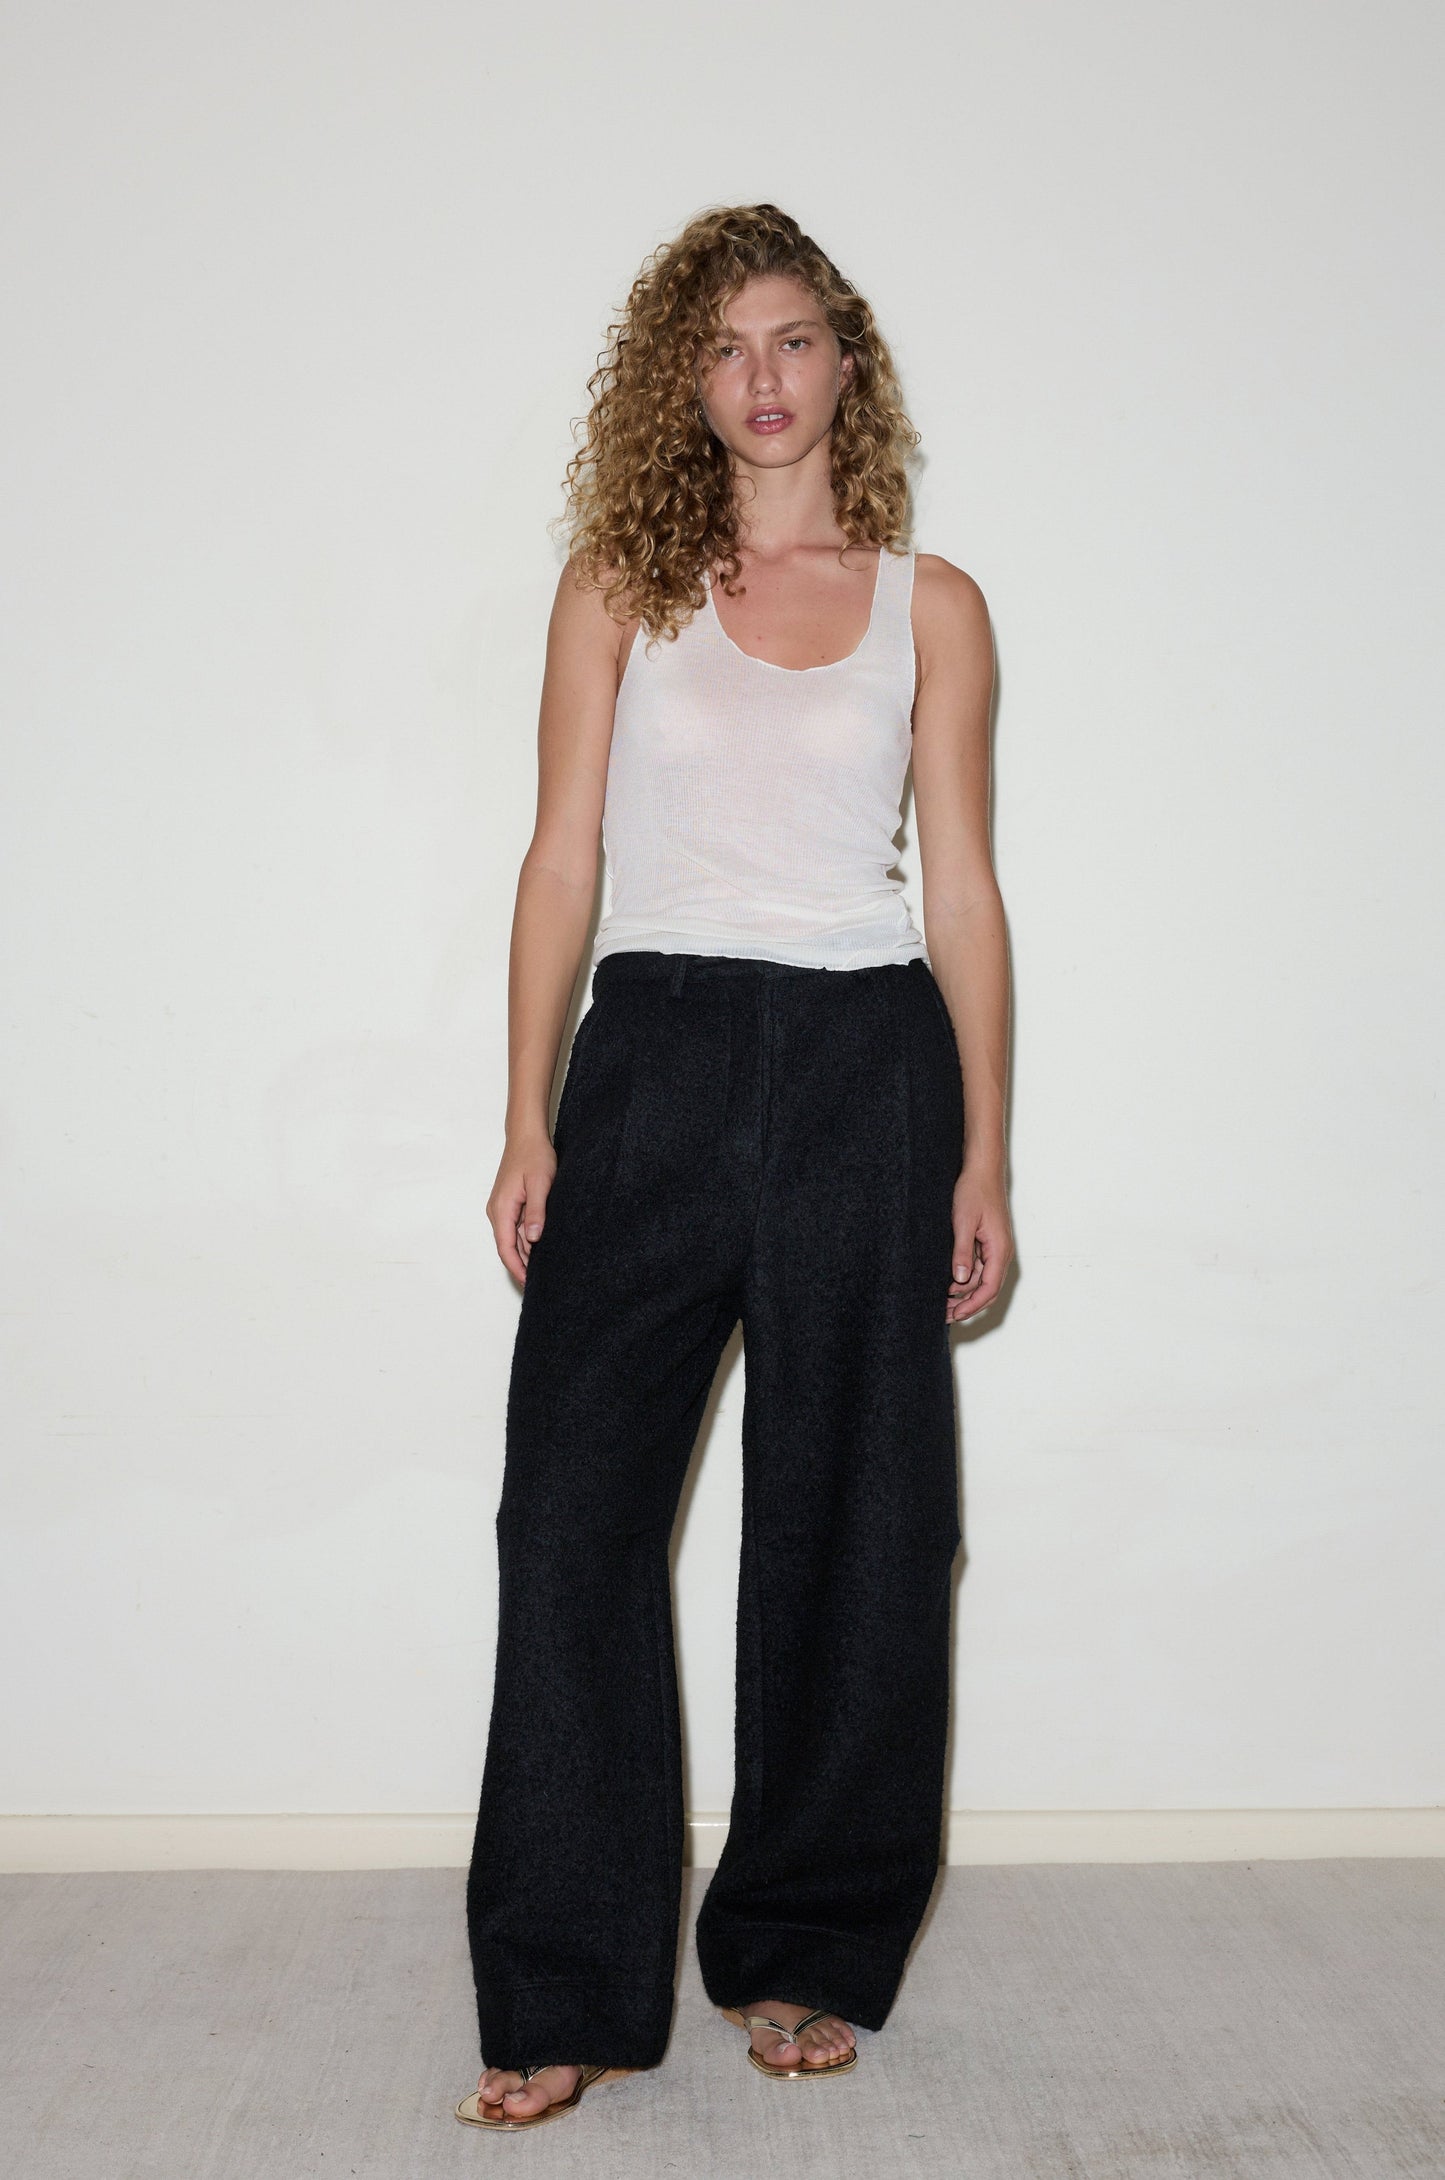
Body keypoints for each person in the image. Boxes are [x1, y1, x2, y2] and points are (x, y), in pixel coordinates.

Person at [455, 202, 1013, 2132]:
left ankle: (802, 1947)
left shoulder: (932, 603)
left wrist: (986, 1156)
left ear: (842, 362)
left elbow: (960, 892)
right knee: (570, 1518)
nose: (760, 379)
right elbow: (558, 862)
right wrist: (532, 1112)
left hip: (868, 1065)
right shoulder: (620, 582)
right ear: (678, 382)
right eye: (723, 347)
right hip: (661, 1056)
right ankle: (562, 1982)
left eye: (791, 340)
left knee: (854, 1519)